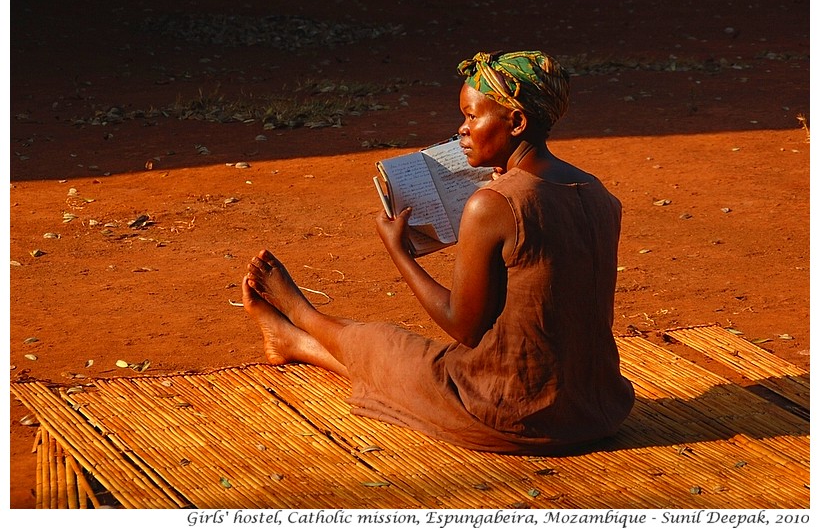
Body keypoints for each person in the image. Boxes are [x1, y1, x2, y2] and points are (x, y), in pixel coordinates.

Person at [243, 50, 635, 455]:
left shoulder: (494, 204)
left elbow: (463, 328)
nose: (461, 130)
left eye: (472, 116)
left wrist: (400, 252)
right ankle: (293, 341)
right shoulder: (598, 192)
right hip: (596, 409)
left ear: (516, 122)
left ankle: (299, 313)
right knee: (398, 367)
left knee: (379, 341)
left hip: (510, 411)